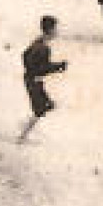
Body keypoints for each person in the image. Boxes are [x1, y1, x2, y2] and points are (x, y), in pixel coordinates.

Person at [18, 15, 68, 143]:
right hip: (34, 80)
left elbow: (25, 55)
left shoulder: (39, 42)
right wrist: (59, 66)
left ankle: (26, 127)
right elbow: (43, 68)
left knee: (47, 106)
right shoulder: (43, 48)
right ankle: (22, 135)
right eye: (56, 29)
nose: (57, 32)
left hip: (33, 79)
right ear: (50, 30)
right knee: (40, 109)